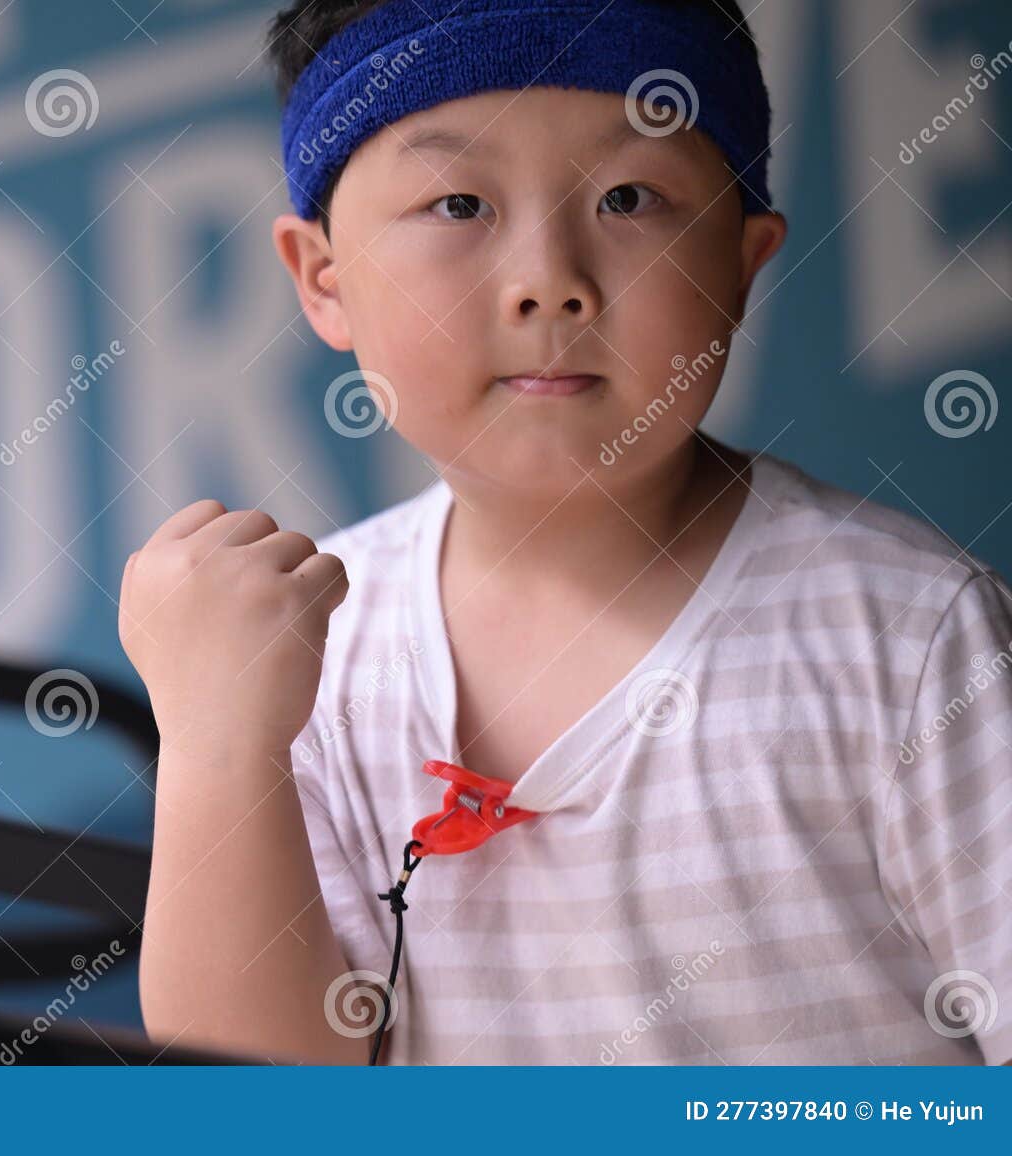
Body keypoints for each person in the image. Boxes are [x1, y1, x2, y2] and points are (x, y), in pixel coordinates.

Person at [119, 0, 1011, 1065]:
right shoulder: (307, 651)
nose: (550, 280)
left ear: (742, 262)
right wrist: (220, 743)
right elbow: (256, 1102)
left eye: (628, 198)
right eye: (458, 203)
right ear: (325, 279)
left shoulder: (911, 642)